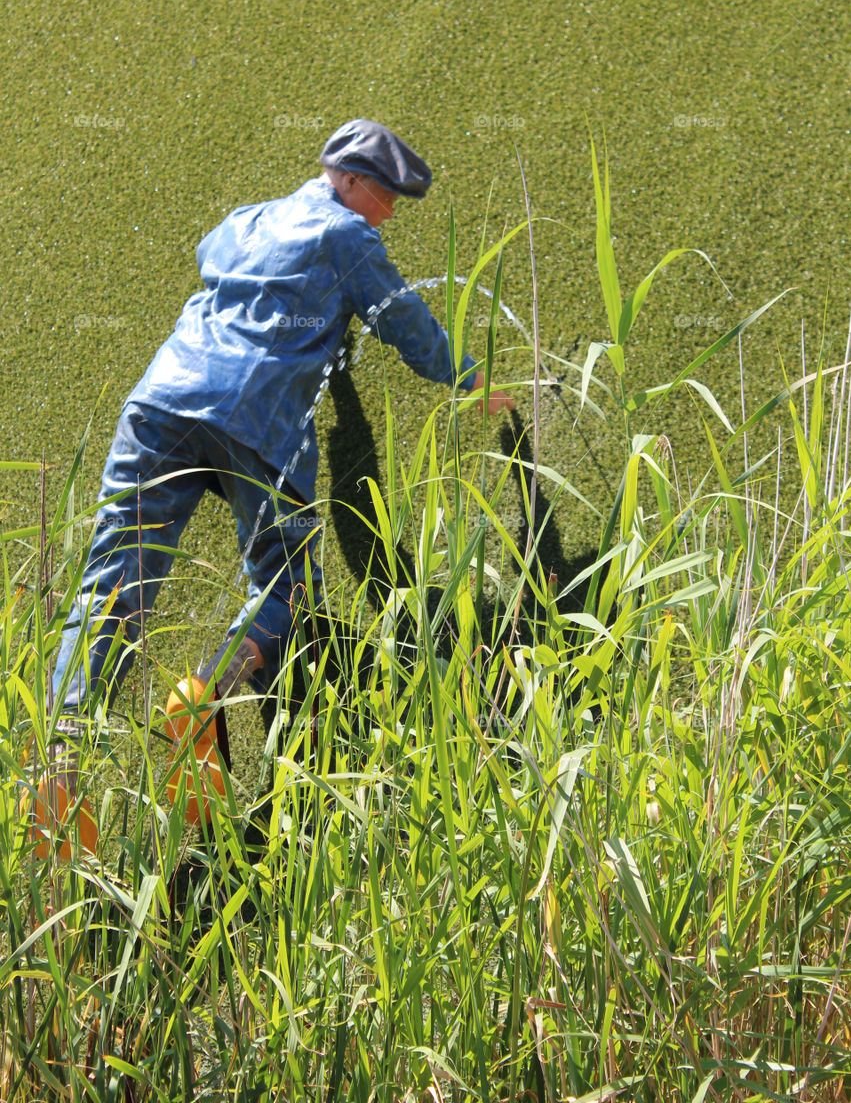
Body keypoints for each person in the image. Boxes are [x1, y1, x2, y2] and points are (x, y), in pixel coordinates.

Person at [50, 118, 514, 774]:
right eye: (385, 197)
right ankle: (199, 696)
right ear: (348, 180)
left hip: (159, 405)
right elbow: (403, 320)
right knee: (289, 586)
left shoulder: (245, 221)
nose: (387, 215)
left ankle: (58, 752)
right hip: (255, 421)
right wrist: (468, 376)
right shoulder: (346, 234)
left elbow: (211, 257)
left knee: (115, 581)